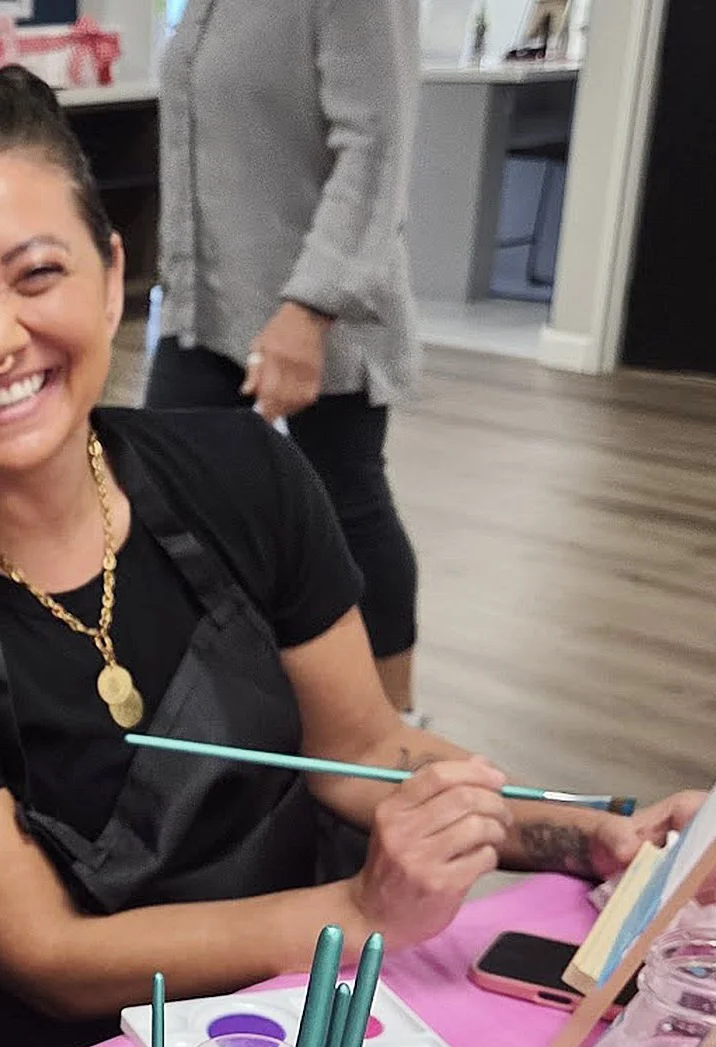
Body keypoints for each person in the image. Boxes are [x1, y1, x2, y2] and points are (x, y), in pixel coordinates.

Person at [0, 60, 716, 1047]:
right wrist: (358, 914)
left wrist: (590, 837)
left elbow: (364, 753)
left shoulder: (243, 474)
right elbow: (50, 956)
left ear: (112, 274)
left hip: (314, 1020)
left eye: (37, 274)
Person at [145, 0, 424, 715]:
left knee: (346, 501)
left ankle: (393, 731)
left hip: (322, 301)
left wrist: (311, 307)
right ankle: (211, 711)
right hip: (209, 305)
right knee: (164, 496)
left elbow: (376, 145)